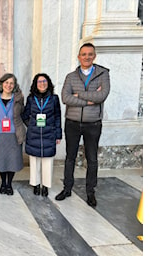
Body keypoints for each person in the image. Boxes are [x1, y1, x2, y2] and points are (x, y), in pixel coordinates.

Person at [55, 42, 110, 207]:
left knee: (92, 159)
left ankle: (90, 192)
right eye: (83, 54)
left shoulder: (103, 74)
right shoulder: (70, 77)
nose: (86, 57)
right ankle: (67, 188)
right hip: (72, 122)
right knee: (70, 157)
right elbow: (65, 98)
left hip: (93, 123)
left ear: (94, 56)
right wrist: (89, 99)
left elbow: (102, 96)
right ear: (79, 57)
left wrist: (79, 95)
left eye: (90, 54)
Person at [21, 73, 62, 197]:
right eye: (39, 81)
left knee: (47, 161)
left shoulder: (54, 98)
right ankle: (36, 184)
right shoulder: (31, 99)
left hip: (49, 133)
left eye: (44, 81)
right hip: (34, 134)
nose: (42, 83)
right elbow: (25, 115)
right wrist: (32, 125)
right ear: (35, 84)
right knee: (34, 161)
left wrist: (58, 134)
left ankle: (45, 185)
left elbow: (58, 117)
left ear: (48, 83)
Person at [0, 73, 26, 196]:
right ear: (2, 84)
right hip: (0, 134)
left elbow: (23, 113)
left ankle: (9, 184)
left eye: (11, 83)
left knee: (12, 161)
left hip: (14, 133)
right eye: (6, 82)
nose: (8, 85)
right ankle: (3, 183)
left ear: (14, 85)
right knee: (1, 161)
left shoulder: (18, 98)